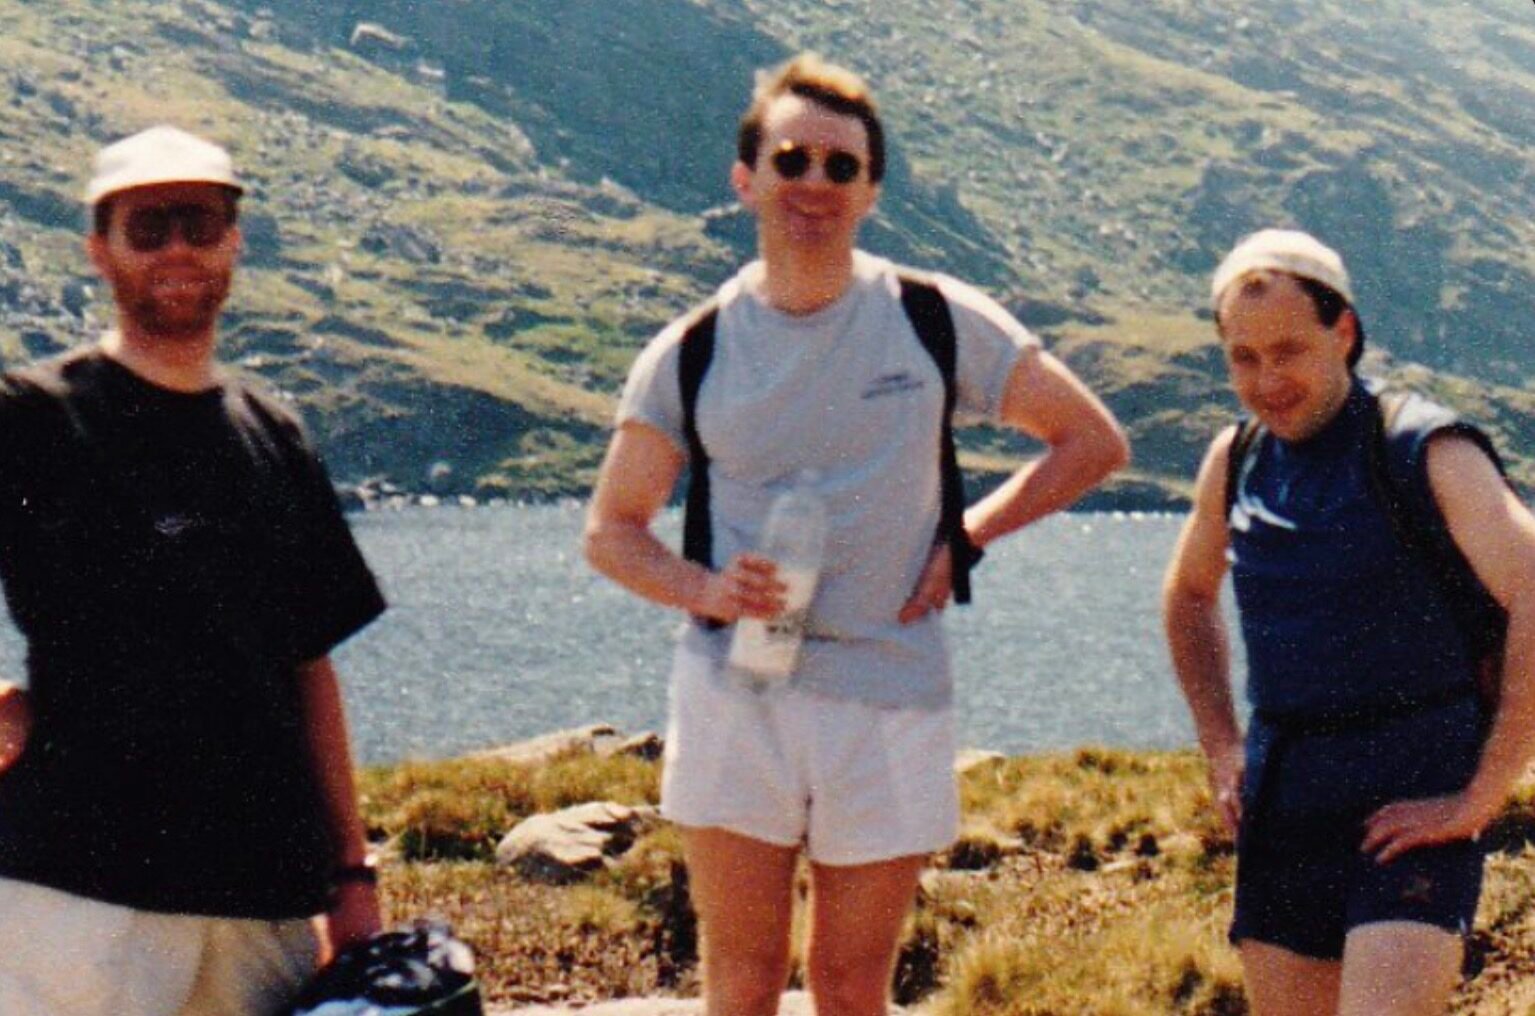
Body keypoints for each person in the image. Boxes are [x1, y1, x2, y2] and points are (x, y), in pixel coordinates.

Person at [585, 53, 1128, 1016]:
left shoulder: (930, 319)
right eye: (793, 160)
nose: (816, 185)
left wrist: (967, 535)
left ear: (871, 190)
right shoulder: (693, 347)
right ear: (746, 178)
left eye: (843, 167)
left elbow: (1091, 442)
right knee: (741, 982)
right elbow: (612, 532)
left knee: (850, 986)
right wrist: (705, 591)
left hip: (888, 693)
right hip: (734, 694)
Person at [0, 126, 388, 1015]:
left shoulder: (273, 434)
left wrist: (352, 872)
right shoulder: (33, 417)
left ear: (234, 243)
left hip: (265, 904)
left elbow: (310, 667)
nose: (177, 248)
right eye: (148, 227)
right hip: (76, 896)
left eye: (200, 223)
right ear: (99, 250)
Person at [1163, 228, 1535, 1015]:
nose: (1267, 380)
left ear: (1343, 333)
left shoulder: (1421, 449)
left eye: (1288, 351)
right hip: (1286, 806)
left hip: (1411, 803)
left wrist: (1483, 793)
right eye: (1243, 357)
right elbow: (1188, 596)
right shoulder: (1236, 459)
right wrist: (1221, 744)